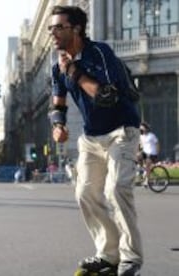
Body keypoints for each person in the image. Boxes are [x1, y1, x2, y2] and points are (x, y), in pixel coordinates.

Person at [48, 6, 142, 275]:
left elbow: (107, 96)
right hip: (91, 137)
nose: (52, 33)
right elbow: (58, 105)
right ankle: (108, 254)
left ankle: (130, 258)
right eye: (50, 28)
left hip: (121, 130)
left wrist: (75, 72)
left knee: (117, 189)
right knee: (85, 194)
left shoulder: (100, 53)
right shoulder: (57, 68)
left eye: (58, 27)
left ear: (75, 29)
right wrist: (59, 125)